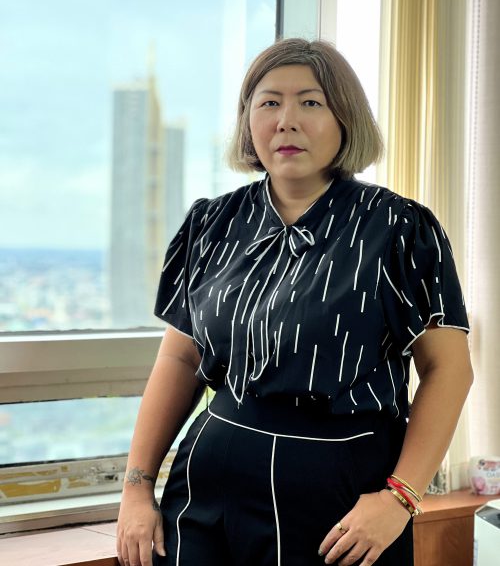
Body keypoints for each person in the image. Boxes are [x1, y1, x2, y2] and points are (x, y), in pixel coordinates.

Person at [116, 38, 473, 566]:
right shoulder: (210, 224)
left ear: (345, 119)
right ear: (248, 121)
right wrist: (136, 487)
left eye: (310, 102)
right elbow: (180, 359)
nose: (287, 121)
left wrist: (400, 497)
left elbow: (449, 370)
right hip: (210, 480)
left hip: (344, 491)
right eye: (269, 103)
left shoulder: (398, 228)